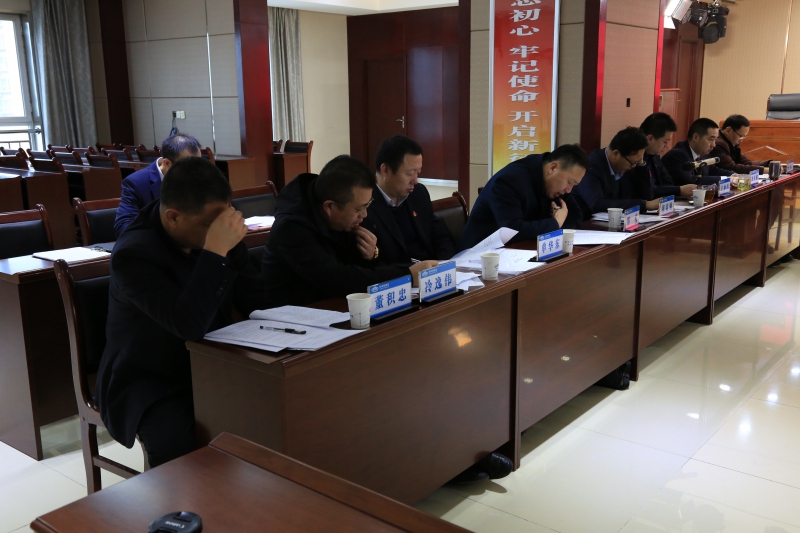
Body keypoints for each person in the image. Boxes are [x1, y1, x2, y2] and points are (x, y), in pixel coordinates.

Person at [96, 157, 270, 468]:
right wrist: (215, 252)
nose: (220, 230)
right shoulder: (133, 253)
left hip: (212, 359)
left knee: (275, 405)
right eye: (209, 225)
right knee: (176, 441)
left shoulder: (216, 228)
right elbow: (187, 324)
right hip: (150, 377)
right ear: (174, 217)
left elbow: (254, 298)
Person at [261, 155, 438, 307]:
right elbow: (337, 278)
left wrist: (372, 255)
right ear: (329, 207)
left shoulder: (347, 214)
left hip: (341, 308)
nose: (364, 214)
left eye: (368, 205)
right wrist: (407, 275)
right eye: (359, 209)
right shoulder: (291, 228)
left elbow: (359, 270)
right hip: (295, 319)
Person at [455, 144, 588, 252]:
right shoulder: (509, 181)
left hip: (518, 252)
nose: (569, 190)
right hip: (477, 257)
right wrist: (555, 223)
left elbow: (576, 215)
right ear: (553, 168)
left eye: (574, 185)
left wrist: (551, 224)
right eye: (570, 182)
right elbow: (511, 231)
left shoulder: (556, 185)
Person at [361, 135, 454, 266]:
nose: (415, 181)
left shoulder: (418, 193)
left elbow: (441, 238)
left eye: (418, 173)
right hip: (399, 275)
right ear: (385, 170)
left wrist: (443, 265)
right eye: (409, 174)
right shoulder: (363, 206)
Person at [114, 134, 202, 238]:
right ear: (167, 163)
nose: (194, 174)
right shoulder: (136, 183)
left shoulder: (198, 179)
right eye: (188, 168)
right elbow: (123, 226)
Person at [573, 127, 661, 219]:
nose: (634, 166)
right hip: (587, 223)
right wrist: (645, 204)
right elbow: (597, 204)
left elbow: (647, 197)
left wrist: (641, 164)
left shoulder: (627, 163)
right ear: (615, 154)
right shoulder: (591, 167)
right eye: (633, 163)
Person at [622, 113, 698, 200]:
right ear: (650, 138)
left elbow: (668, 182)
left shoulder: (655, 156)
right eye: (665, 142)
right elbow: (645, 191)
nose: (667, 146)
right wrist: (679, 190)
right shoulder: (632, 158)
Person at [662, 118, 734, 186]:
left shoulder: (703, 153)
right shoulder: (677, 155)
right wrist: (726, 179)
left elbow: (713, 170)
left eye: (715, 140)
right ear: (695, 137)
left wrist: (733, 175)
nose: (713, 145)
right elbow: (691, 180)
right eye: (711, 139)